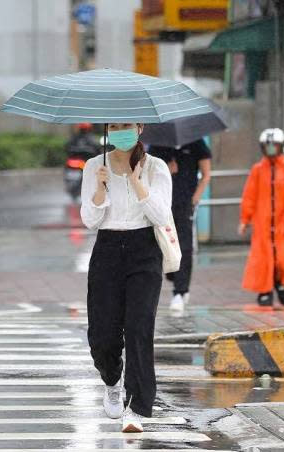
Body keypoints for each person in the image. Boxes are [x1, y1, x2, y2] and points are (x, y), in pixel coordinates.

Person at [80, 123, 172, 433]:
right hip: (107, 250)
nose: (121, 132)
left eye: (127, 126)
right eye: (115, 126)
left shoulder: (156, 167)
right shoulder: (95, 166)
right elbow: (89, 220)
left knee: (139, 329)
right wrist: (99, 189)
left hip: (144, 250)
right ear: (108, 129)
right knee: (102, 336)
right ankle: (111, 381)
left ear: (139, 128)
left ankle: (138, 408)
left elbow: (161, 216)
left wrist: (138, 183)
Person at [237, 128, 284, 306]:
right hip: (262, 225)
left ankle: (282, 285)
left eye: (274, 146)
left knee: (282, 259)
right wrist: (245, 219)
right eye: (267, 146)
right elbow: (249, 196)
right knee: (263, 259)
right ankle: (265, 290)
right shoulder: (258, 170)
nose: (271, 150)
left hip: (282, 225)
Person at [149, 139, 212, 312]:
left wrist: (195, 198)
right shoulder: (158, 145)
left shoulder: (196, 143)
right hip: (162, 203)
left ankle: (180, 291)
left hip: (185, 203)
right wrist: (165, 171)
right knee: (161, 245)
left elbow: (206, 174)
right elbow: (147, 172)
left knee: (184, 246)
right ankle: (173, 275)